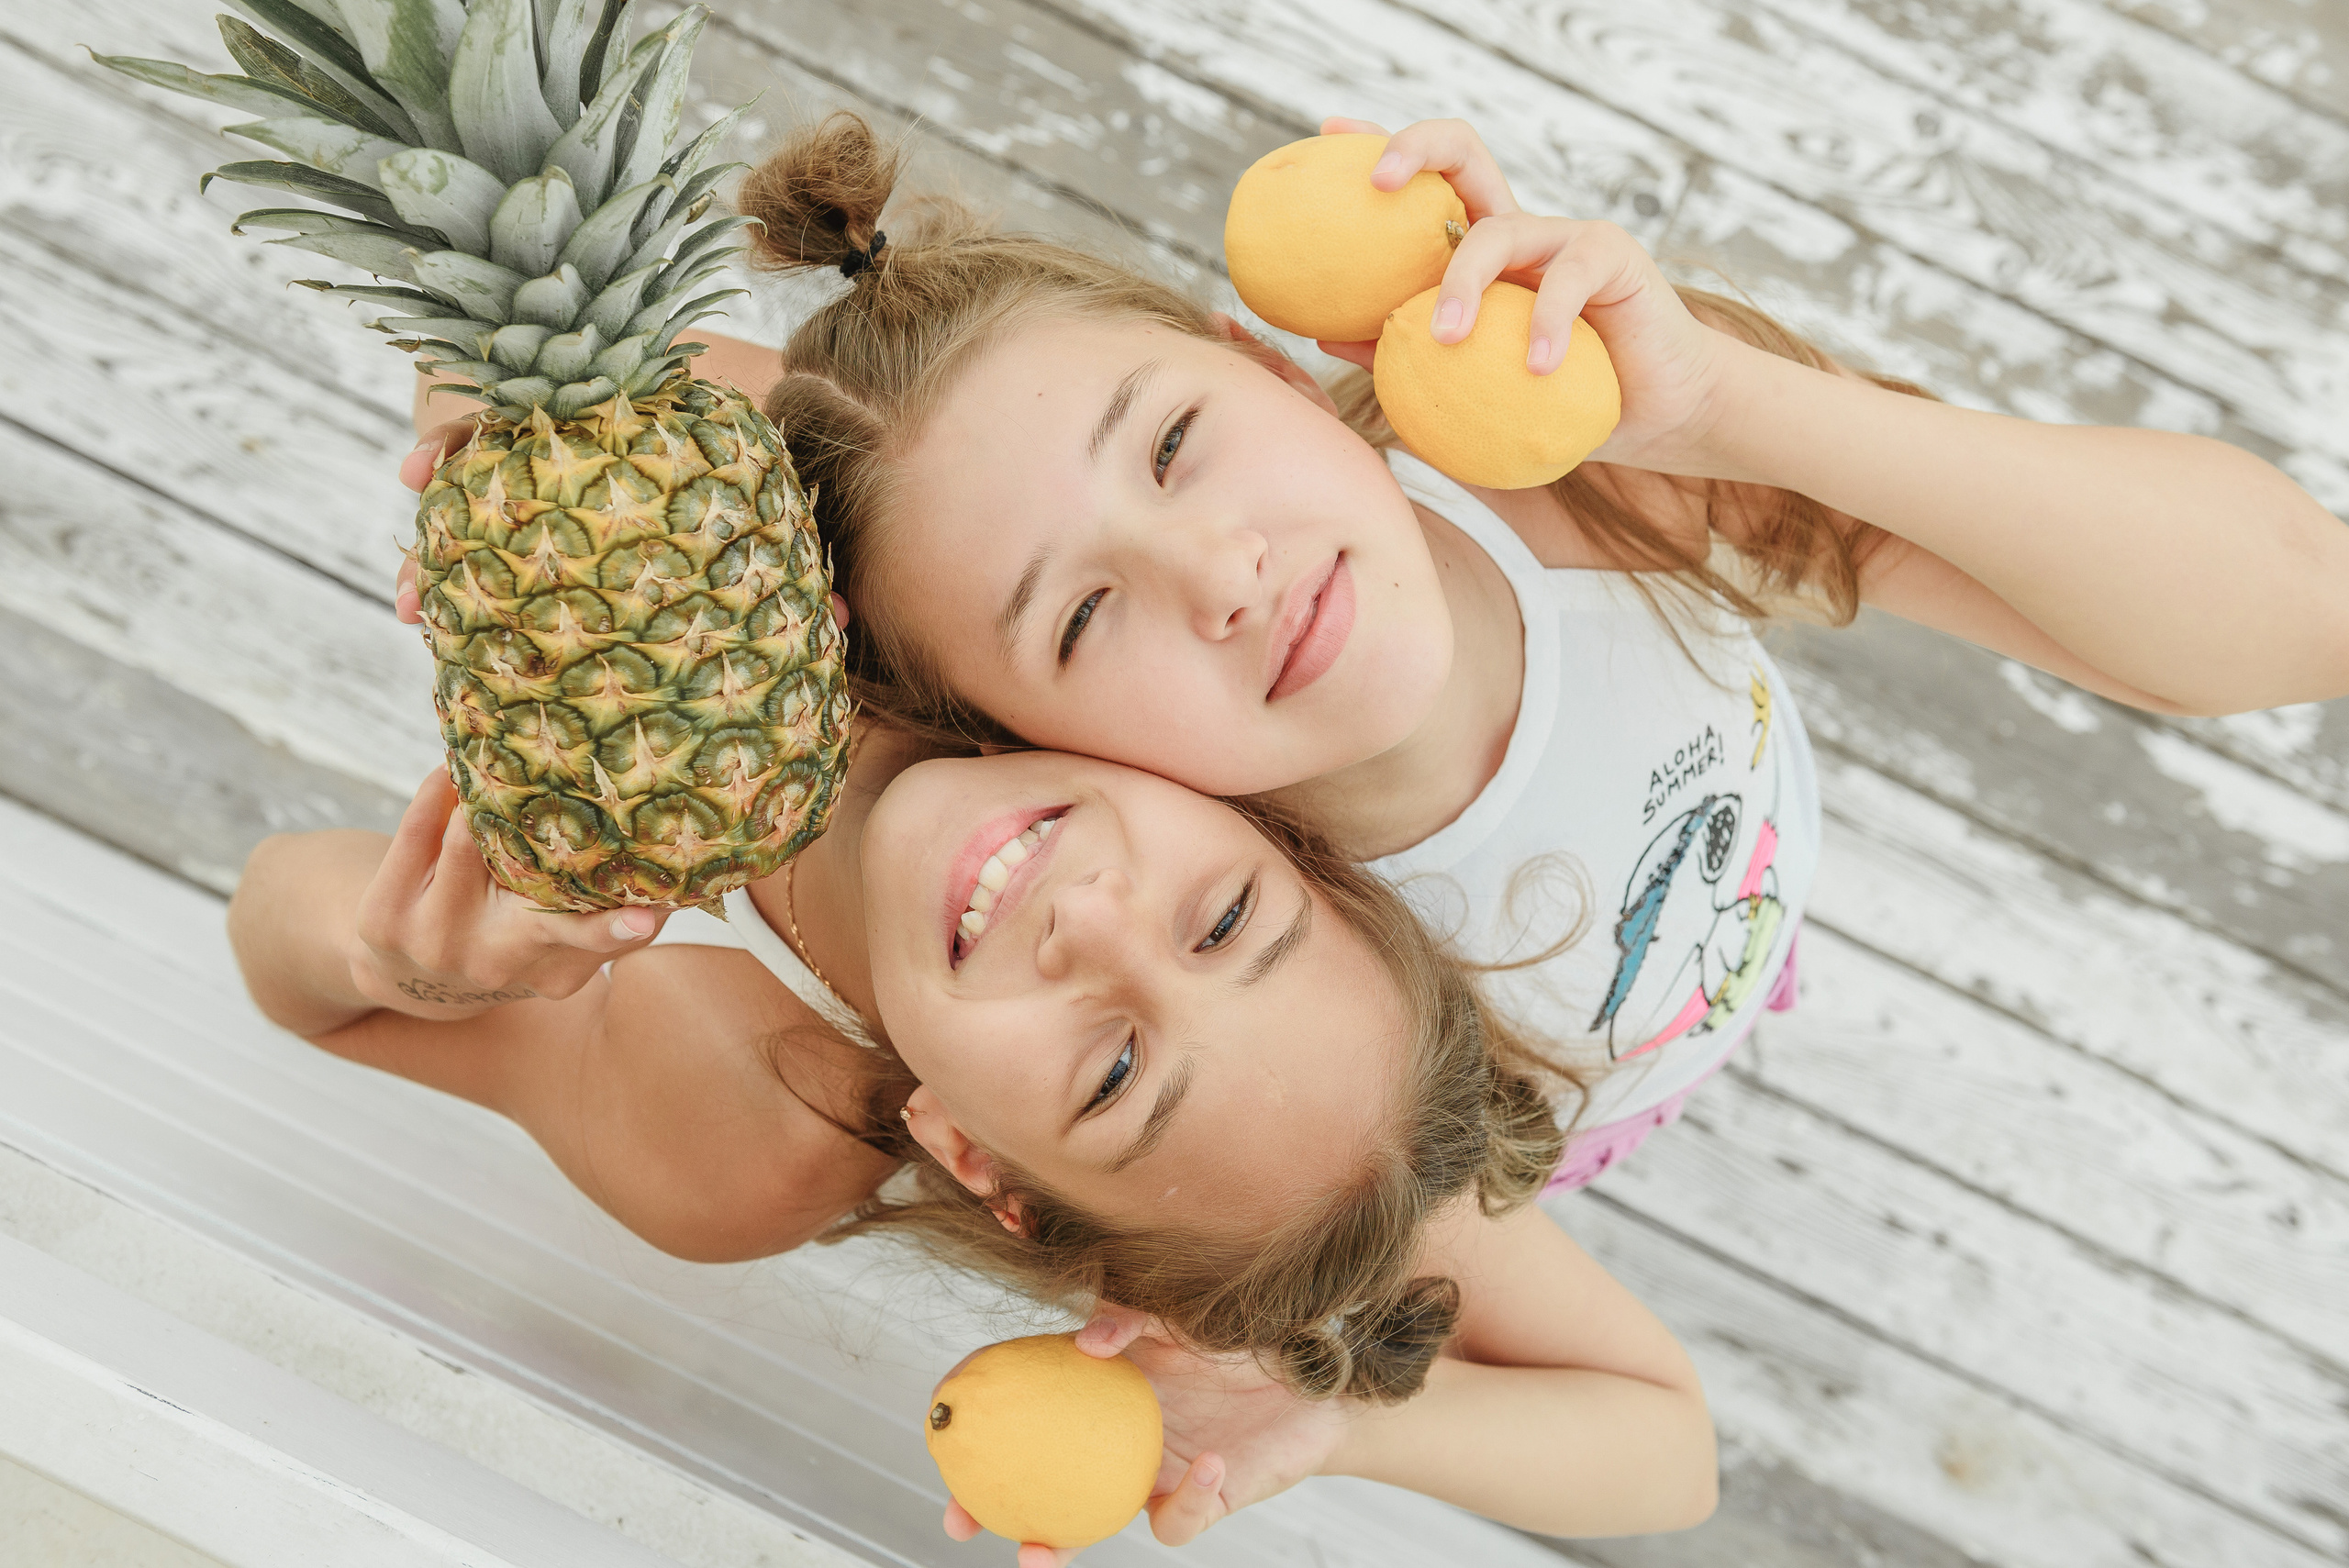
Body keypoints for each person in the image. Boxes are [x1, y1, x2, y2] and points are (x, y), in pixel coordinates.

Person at [401, 109, 2349, 1190]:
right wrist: (538, 448)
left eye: (1176, 444)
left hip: (1741, 895)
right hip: (1556, 1125)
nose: (1219, 575)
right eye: (1081, 616)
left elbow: (2296, 611)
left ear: (1261, 362)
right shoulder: (1210, 935)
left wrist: (1733, 416)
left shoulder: (1579, 477)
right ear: (1005, 733)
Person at [230, 731, 1720, 1552]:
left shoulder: (741, 1123)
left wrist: (405, 957)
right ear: (1285, 840)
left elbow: (302, 975)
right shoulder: (1085, 662)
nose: (1091, 921)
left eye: (1116, 1069)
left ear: (977, 1159)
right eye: (1222, 917)